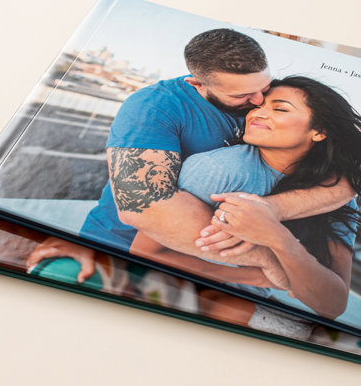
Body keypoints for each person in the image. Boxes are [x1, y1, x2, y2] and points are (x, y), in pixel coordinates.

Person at [28, 28, 354, 287]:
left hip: (214, 266)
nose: (258, 101)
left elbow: (347, 179)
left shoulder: (262, 107)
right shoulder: (154, 108)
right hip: (118, 250)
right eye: (242, 95)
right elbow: (143, 208)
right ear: (197, 83)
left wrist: (273, 210)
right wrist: (266, 258)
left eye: (264, 87)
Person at [129, 76, 361, 319]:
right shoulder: (219, 169)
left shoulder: (334, 196)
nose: (257, 114)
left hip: (250, 307)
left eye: (279, 108)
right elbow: (144, 252)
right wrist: (256, 274)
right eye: (257, 107)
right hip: (180, 297)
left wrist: (280, 240)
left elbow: (333, 304)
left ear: (320, 131)